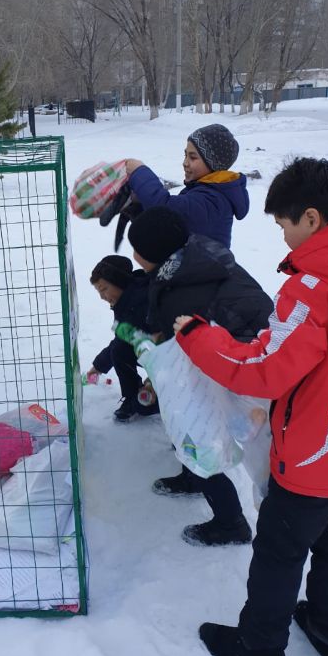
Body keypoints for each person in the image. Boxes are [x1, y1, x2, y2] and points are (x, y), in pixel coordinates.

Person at [174, 158, 328, 656]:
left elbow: (265, 371)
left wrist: (198, 336)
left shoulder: (314, 288)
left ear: (313, 218)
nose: (282, 237)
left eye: (283, 225)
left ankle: (259, 647)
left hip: (315, 456)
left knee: (279, 550)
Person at [123, 206, 273, 546]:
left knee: (199, 433)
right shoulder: (194, 257)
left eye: (137, 249)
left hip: (243, 372)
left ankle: (231, 523)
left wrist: (154, 367)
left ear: (154, 252)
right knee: (190, 428)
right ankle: (192, 477)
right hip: (246, 354)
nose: (133, 255)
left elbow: (175, 350)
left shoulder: (180, 291)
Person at [125, 123, 248, 249]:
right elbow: (168, 231)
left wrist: (139, 172)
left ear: (214, 164)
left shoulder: (212, 201)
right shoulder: (201, 192)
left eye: (193, 157)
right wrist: (138, 208)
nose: (185, 163)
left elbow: (165, 209)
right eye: (186, 155)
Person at [88, 255, 159, 422]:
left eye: (104, 289)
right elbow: (122, 339)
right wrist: (99, 366)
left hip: (175, 360)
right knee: (120, 348)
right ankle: (133, 397)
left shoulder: (145, 300)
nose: (102, 297)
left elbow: (167, 344)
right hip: (151, 353)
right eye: (99, 291)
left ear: (119, 281)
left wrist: (153, 382)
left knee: (146, 406)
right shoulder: (124, 303)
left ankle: (161, 399)